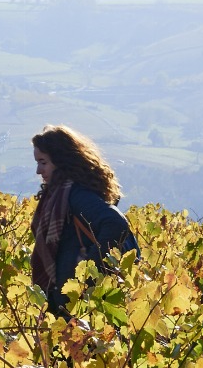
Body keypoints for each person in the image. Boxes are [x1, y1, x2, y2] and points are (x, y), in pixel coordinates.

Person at [30, 125, 137, 314]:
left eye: (43, 162)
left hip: (80, 304)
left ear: (60, 161)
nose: (38, 170)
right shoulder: (58, 195)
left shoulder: (76, 195)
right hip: (70, 301)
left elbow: (116, 224)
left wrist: (88, 273)